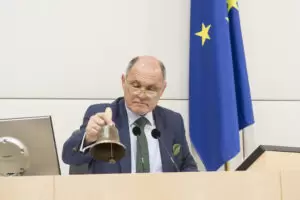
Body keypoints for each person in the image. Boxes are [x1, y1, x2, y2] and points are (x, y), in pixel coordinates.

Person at [62, 56, 198, 173]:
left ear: (162, 90)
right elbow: (69, 156)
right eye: (136, 85)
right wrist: (88, 138)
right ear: (123, 81)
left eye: (151, 89)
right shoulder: (103, 115)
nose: (141, 95)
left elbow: (188, 166)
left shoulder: (173, 121)